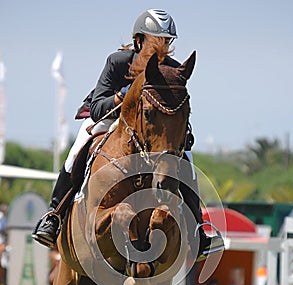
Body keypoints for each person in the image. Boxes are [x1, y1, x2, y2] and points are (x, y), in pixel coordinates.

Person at [32, 8, 224, 261]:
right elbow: (99, 104)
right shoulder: (118, 61)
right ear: (138, 40)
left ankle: (198, 230)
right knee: (77, 149)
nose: (162, 46)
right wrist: (120, 97)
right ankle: (54, 215)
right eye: (156, 39)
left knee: (185, 158)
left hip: (150, 130)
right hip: (108, 120)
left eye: (166, 41)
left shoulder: (173, 70)